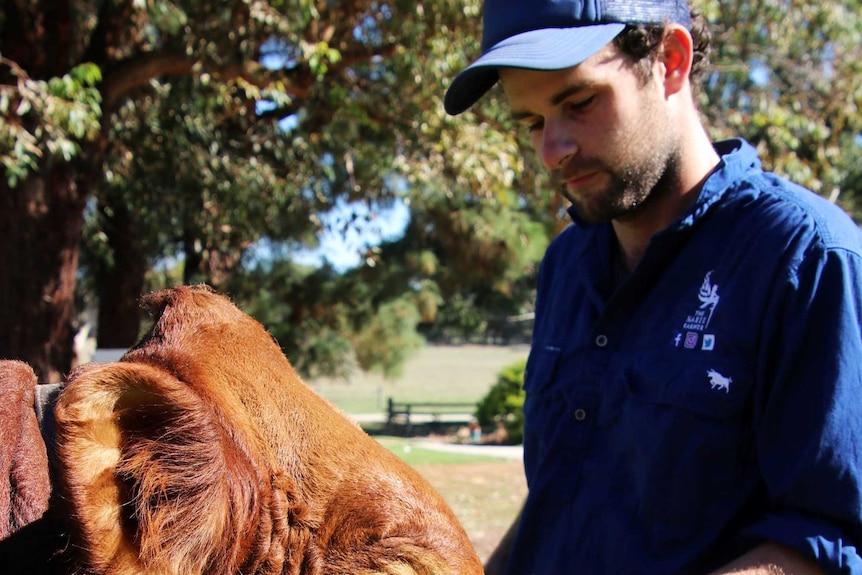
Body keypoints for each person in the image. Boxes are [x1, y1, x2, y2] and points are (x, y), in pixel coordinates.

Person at [444, 1, 862, 574]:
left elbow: (828, 541)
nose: (551, 150)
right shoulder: (566, 265)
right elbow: (565, 490)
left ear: (669, 60)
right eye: (534, 122)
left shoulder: (806, 257)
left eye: (579, 102)